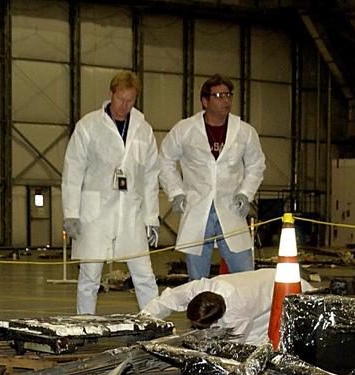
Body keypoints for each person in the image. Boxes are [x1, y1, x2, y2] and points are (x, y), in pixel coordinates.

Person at [61, 71, 161, 314]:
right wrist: (71, 213)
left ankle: (155, 325)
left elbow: (150, 177)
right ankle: (84, 325)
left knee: (144, 275)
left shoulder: (143, 130)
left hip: (131, 214)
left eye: (130, 101)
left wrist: (151, 218)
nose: (124, 106)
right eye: (120, 99)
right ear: (111, 94)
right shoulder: (88, 126)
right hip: (94, 214)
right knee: (89, 278)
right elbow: (72, 171)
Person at [160, 75, 266, 280]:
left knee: (245, 275)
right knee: (197, 279)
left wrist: (245, 193)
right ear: (205, 101)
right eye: (218, 96)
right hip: (198, 208)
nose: (225, 100)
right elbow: (165, 160)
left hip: (231, 208)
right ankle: (199, 310)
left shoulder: (245, 131)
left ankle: (246, 312)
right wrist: (176, 192)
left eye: (228, 95)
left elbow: (256, 164)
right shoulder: (185, 129)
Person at [141, 268, 310, 345]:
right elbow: (166, 300)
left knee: (257, 345)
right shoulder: (198, 289)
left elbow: (235, 345)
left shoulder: (237, 313)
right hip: (263, 283)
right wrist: (144, 319)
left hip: (286, 289)